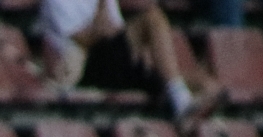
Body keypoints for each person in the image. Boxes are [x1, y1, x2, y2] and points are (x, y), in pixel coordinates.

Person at [40, 0, 220, 122]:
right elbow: (80, 40)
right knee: (152, 18)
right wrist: (101, 20)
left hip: (115, 61)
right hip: (84, 67)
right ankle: (179, 98)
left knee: (207, 86)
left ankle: (181, 104)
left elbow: (115, 31)